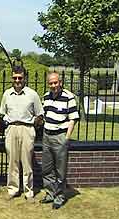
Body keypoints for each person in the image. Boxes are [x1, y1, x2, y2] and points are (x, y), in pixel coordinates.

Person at [0, 65, 44, 201]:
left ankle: (28, 191)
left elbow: (40, 114)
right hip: (12, 129)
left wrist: (33, 127)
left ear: (25, 78)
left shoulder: (32, 94)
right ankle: (13, 189)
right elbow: (2, 113)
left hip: (27, 129)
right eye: (15, 78)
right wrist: (7, 123)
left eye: (20, 78)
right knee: (12, 161)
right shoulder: (7, 94)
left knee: (27, 162)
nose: (17, 80)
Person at [40, 72, 79, 209]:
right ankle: (50, 193)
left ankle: (60, 196)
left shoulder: (69, 97)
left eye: (55, 83)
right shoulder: (45, 96)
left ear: (60, 82)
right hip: (47, 136)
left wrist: (66, 138)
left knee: (60, 170)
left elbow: (73, 118)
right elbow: (43, 116)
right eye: (51, 83)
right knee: (47, 168)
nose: (53, 85)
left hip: (60, 136)